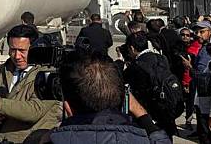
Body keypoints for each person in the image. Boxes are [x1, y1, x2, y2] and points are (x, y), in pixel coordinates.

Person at [0, 24, 61, 143]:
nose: (17, 56)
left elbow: (34, 111)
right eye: (13, 50)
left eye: (22, 51)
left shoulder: (48, 75)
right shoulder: (3, 70)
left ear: (34, 49)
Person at [39, 53, 171, 144]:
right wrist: (142, 114)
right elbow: (161, 140)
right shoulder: (142, 139)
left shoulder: (52, 139)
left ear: (68, 107)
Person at [123, 31, 182, 138]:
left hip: (148, 117)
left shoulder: (136, 66)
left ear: (132, 48)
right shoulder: (162, 58)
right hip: (166, 111)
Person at [179, 27, 201, 129]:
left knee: (190, 102)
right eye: (183, 35)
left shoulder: (194, 49)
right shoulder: (178, 47)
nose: (185, 37)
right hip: (181, 78)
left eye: (187, 35)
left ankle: (188, 121)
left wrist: (186, 82)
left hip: (191, 79)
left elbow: (189, 68)